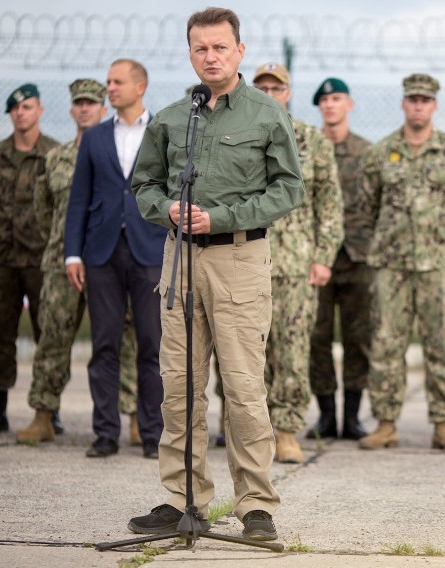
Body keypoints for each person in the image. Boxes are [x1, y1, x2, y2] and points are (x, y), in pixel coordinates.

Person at [128, 7, 303, 541]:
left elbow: (287, 189)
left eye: (220, 47)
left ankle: (256, 506)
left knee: (245, 387)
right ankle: (183, 498)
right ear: (190, 53)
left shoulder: (266, 115)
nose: (211, 56)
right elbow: (144, 186)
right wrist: (167, 211)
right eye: (200, 48)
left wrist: (222, 216)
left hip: (238, 260)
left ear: (239, 51)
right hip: (180, 259)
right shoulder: (173, 116)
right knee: (179, 386)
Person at [358, 73, 445, 453]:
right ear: (403, 104)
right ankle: (385, 424)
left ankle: (444, 424)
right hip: (391, 266)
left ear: (434, 105)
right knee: (386, 344)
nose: (418, 105)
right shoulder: (380, 153)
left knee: (442, 344)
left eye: (425, 100)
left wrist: (443, 241)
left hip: (437, 266)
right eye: (413, 99)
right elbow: (367, 207)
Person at [16, 78, 140, 444]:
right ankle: (43, 414)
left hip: (114, 258)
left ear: (104, 109)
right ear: (71, 109)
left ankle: (133, 416)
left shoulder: (119, 152)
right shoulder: (56, 159)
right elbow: (44, 210)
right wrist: (63, 244)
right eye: (79, 103)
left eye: (92, 102)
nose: (85, 108)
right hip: (62, 261)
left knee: (126, 337)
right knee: (53, 336)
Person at [65, 59, 165, 459]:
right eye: (108, 81)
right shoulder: (94, 138)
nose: (110, 88)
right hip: (101, 252)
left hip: (150, 250)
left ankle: (154, 434)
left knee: (153, 346)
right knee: (104, 345)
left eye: (117, 81)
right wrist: (73, 252)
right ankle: (105, 433)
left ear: (139, 86)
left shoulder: (163, 133)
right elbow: (79, 199)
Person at [251, 63, 344, 463]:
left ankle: (287, 428)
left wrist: (324, 257)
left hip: (296, 262)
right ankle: (249, 429)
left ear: (288, 92)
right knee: (243, 350)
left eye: (277, 87)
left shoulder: (310, 139)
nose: (270, 93)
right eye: (263, 87)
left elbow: (331, 203)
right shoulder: (236, 135)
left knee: (291, 349)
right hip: (245, 257)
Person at [0, 83, 59, 434]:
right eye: (15, 108)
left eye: (28, 107)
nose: (21, 113)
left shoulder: (55, 154)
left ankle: (49, 409)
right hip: (3, 260)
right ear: (10, 114)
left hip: (42, 259)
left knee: (49, 333)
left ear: (39, 111)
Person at [306, 77, 372, 441]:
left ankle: (353, 416)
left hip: (358, 257)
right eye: (324, 100)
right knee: (317, 338)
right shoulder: (310, 148)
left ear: (349, 104)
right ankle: (327, 415)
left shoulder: (367, 152)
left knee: (358, 338)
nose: (330, 105)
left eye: (336, 99)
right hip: (317, 258)